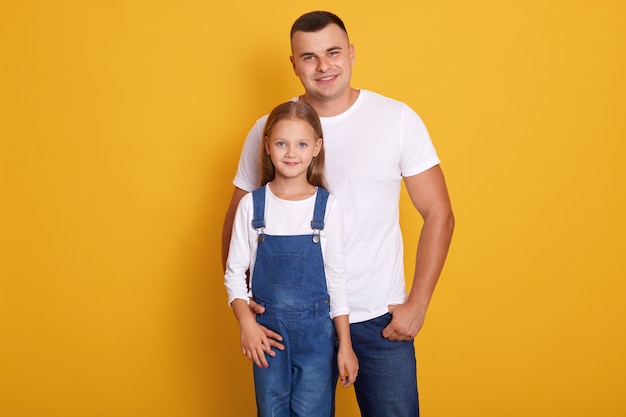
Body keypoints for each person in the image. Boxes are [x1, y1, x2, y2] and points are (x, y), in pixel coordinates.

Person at [222, 11, 454, 417]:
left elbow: (439, 213)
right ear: (293, 65)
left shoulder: (396, 119)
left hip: (377, 316)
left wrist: (417, 303)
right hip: (285, 321)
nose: (323, 65)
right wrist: (245, 306)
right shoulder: (271, 128)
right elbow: (239, 217)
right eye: (308, 57)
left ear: (351, 53)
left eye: (332, 52)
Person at [224, 100, 359, 417]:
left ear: (317, 147)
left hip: (317, 338)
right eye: (282, 143)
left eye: (301, 144)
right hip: (267, 336)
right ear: (268, 144)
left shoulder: (327, 207)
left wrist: (346, 345)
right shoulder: (252, 206)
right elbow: (234, 274)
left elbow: (336, 278)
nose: (291, 153)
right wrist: (246, 323)